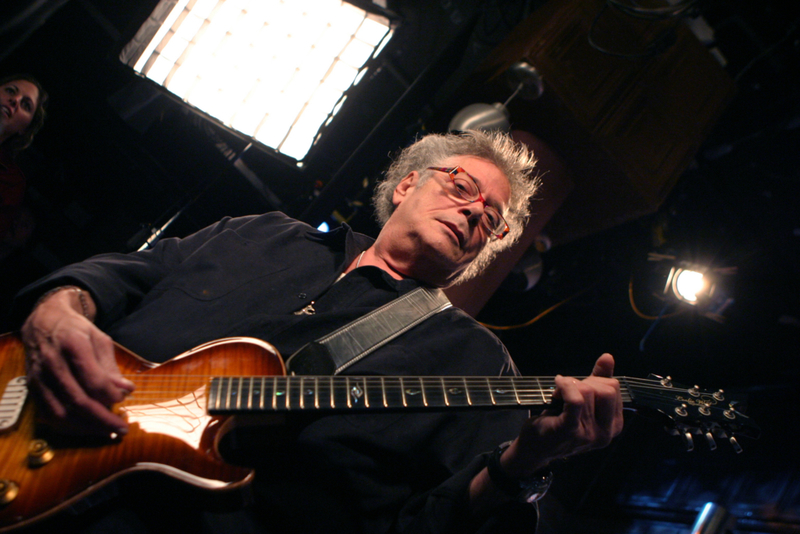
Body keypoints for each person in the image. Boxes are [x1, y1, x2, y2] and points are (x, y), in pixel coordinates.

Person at [13, 129, 623, 533]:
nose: (472, 212)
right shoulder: (265, 233)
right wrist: (60, 308)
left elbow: (437, 523)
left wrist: (527, 466)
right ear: (408, 184)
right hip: (27, 423)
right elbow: (131, 273)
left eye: (490, 221)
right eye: (462, 188)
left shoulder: (477, 365)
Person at [0, 74, 47, 252]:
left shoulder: (11, 182)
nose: (15, 100)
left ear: (25, 128)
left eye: (26, 105)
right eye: (10, 91)